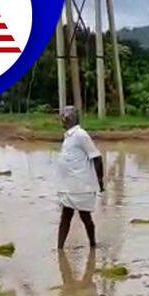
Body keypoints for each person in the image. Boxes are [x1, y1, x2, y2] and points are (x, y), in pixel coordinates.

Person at [56, 106, 104, 249]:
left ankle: (93, 245)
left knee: (85, 217)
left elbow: (97, 157)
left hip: (81, 186)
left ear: (69, 118)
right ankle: (59, 249)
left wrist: (100, 180)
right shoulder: (69, 136)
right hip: (69, 186)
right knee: (65, 217)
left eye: (63, 117)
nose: (61, 120)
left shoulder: (80, 135)